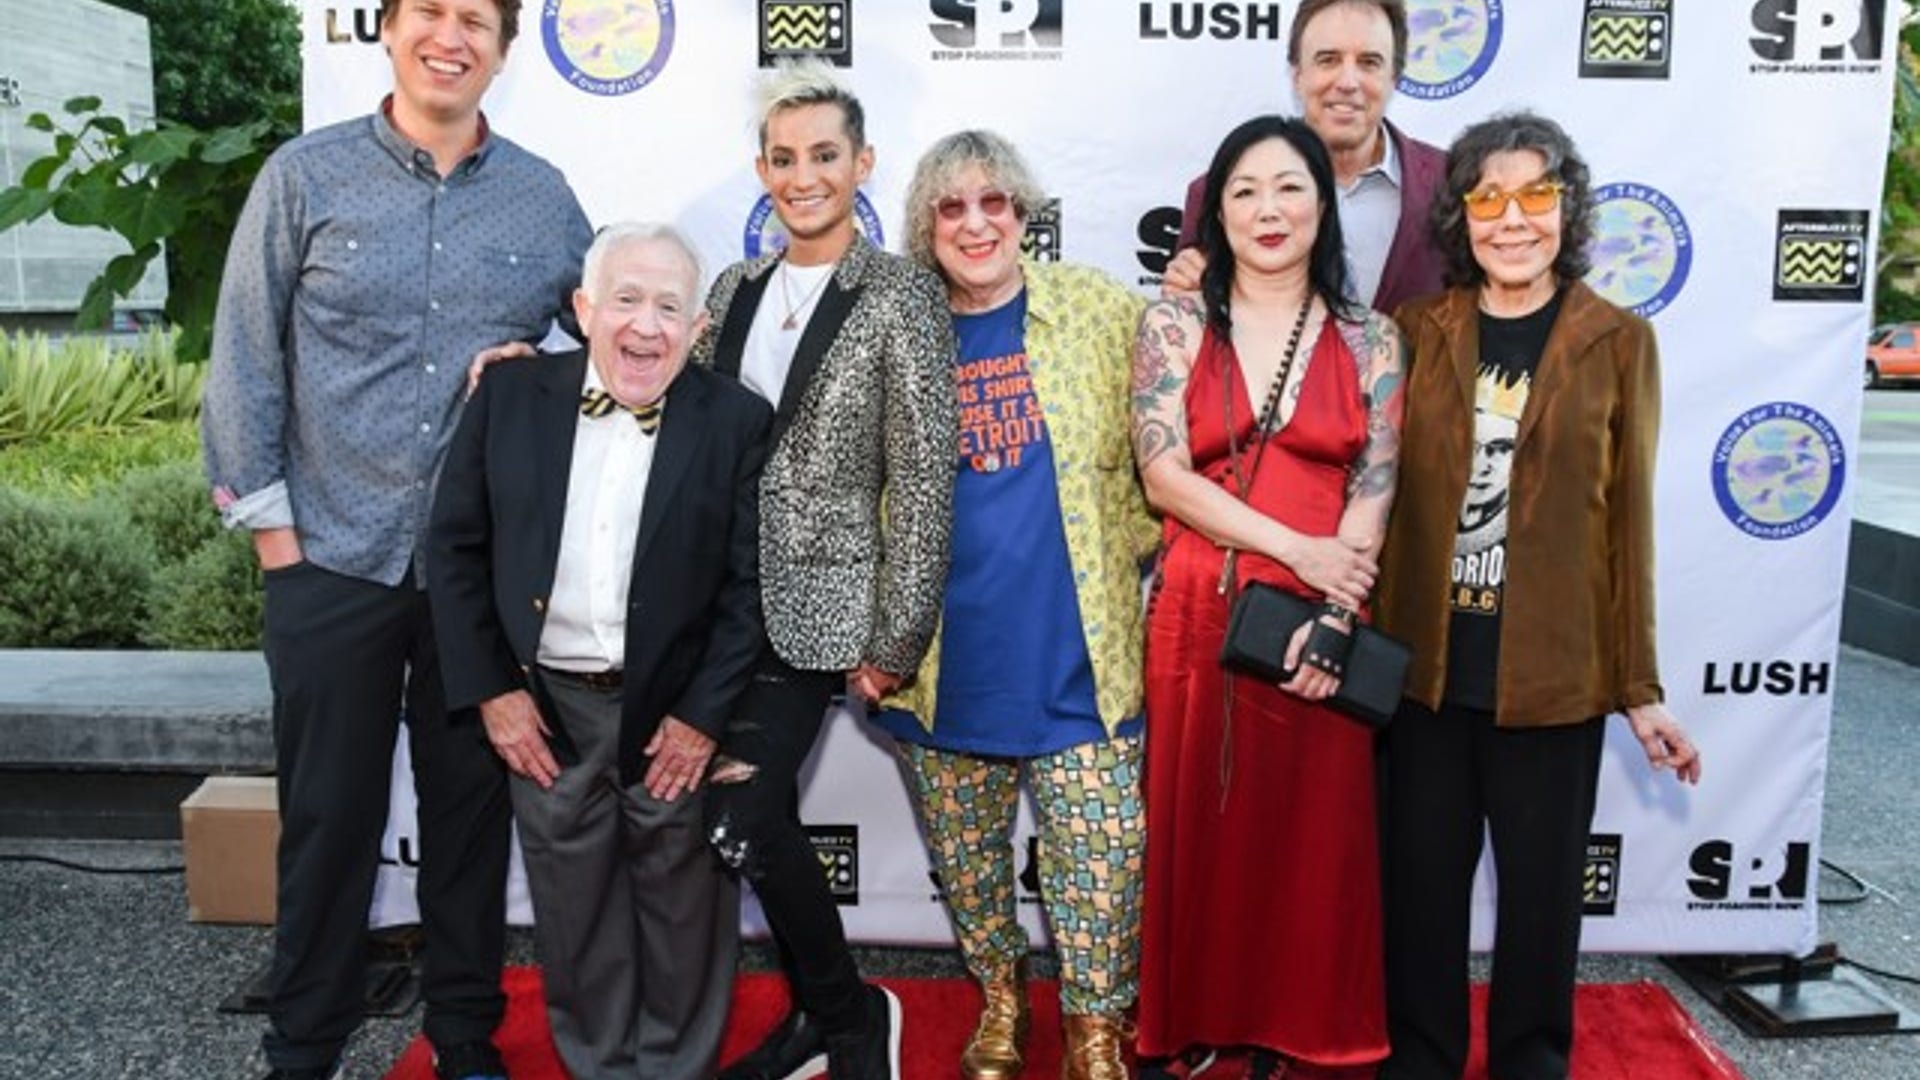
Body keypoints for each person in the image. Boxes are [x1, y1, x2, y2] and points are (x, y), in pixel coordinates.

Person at [200, 0, 592, 1076]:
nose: (451, 36)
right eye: (431, 11)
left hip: (477, 579)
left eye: (478, 19)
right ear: (387, 28)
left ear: (504, 51)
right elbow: (243, 356)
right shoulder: (305, 176)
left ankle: (462, 1035)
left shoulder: (545, 198)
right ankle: (305, 1039)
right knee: (329, 821)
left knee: (470, 820)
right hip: (330, 558)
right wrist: (274, 539)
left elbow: (607, 351)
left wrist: (542, 375)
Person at [1374, 112, 1702, 1080]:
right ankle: (1421, 1061)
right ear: (1460, 217)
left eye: (1535, 196)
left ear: (1568, 208)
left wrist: (1637, 688)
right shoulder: (1414, 331)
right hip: (1426, 675)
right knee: (1421, 899)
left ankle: (1531, 1062)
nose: (1511, 220)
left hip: (1554, 680)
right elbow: (1376, 493)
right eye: (1488, 197)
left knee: (1543, 900)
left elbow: (1626, 526)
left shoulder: (1618, 341)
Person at [427, 224, 768, 1080]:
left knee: (685, 905)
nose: (645, 326)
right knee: (573, 909)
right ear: (583, 311)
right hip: (545, 707)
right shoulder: (508, 397)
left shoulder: (736, 419)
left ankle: (675, 1069)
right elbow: (455, 551)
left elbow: (748, 588)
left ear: (697, 331)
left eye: (668, 308)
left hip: (674, 707)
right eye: (625, 300)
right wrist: (493, 696)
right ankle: (601, 1068)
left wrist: (702, 719)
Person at [868, 129, 1158, 1080]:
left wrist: (1134, 554)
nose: (976, 222)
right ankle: (1000, 1000)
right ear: (925, 228)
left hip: (1084, 655)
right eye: (951, 208)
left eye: (994, 202)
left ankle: (1095, 1028)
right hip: (945, 662)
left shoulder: (1101, 310)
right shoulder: (892, 332)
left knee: (1102, 868)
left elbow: (1172, 442)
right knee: (972, 861)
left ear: (1025, 217)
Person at [692, 60, 958, 1080]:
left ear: (863, 163)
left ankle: (850, 1023)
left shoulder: (900, 295)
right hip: (719, 601)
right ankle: (822, 1013)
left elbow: (926, 479)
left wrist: (897, 637)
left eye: (825, 156)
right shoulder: (732, 288)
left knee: (744, 810)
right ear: (761, 168)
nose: (803, 177)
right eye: (785, 158)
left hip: (827, 605)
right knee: (730, 821)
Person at [1132, 115, 1406, 1080]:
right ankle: (1199, 1020)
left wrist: (1336, 614)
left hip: (1322, 619)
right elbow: (1164, 476)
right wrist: (1300, 550)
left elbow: (1376, 487)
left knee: (1310, 839)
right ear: (1218, 212)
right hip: (1201, 616)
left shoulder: (1373, 338)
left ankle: (1296, 1028)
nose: (1268, 209)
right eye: (1243, 191)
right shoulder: (1172, 324)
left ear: (1322, 203)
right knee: (1198, 830)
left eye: (1289, 187)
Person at [1165, 0, 1445, 315]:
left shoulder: (1450, 183)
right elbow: (1199, 321)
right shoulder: (1215, 194)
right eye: (1328, 60)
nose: (1348, 83)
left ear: (1394, 77)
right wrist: (1187, 291)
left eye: (1369, 62)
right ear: (1297, 75)